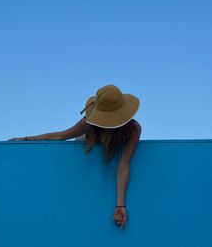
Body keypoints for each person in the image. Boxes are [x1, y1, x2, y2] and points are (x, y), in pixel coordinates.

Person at [8, 84, 142, 230]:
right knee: (81, 141)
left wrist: (120, 205)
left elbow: (123, 165)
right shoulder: (90, 123)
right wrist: (27, 139)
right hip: (85, 151)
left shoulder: (133, 129)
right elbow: (61, 135)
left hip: (105, 159)